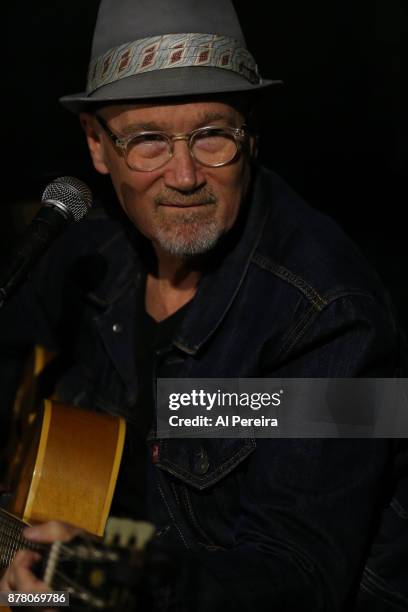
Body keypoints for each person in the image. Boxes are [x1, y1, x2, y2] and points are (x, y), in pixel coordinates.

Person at [0, 0, 407, 610]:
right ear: (96, 145)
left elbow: (297, 577)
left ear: (251, 131)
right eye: (147, 142)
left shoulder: (333, 315)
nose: (185, 175)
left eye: (213, 135)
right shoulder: (91, 248)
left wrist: (109, 579)